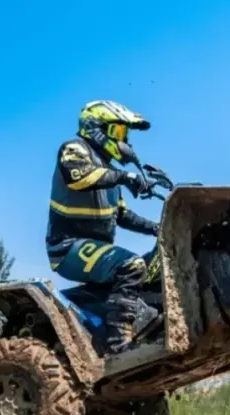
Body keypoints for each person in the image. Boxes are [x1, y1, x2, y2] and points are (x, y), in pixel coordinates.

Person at [45, 100, 166, 355]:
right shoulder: (74, 149)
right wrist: (125, 176)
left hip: (94, 248)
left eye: (125, 134)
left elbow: (122, 215)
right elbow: (79, 178)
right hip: (67, 246)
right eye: (119, 132)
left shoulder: (108, 171)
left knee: (153, 270)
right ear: (96, 127)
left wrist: (157, 228)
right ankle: (119, 345)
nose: (124, 140)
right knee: (131, 265)